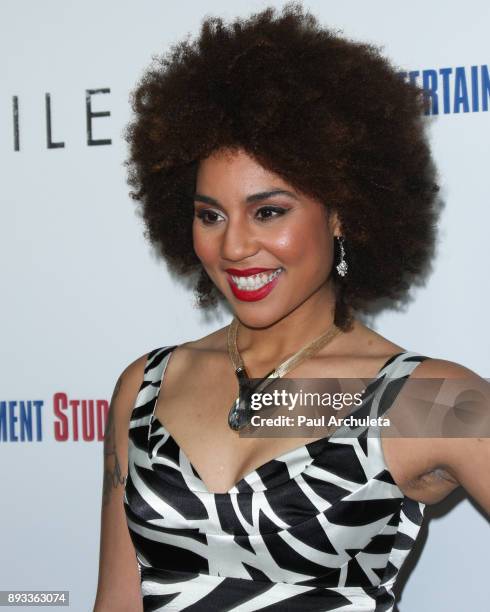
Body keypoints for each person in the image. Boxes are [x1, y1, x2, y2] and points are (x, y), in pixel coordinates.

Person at [93, 4, 490, 611]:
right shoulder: (145, 388)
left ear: (343, 211)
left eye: (269, 211)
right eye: (210, 215)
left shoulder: (429, 401)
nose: (234, 246)